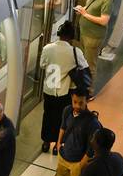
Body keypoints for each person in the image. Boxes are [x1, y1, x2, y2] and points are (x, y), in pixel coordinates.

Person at [40, 88, 101, 176]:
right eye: (75, 102)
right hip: (63, 157)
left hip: (78, 162)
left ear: (87, 101)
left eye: (81, 103)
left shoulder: (92, 122)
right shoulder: (67, 110)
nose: (77, 106)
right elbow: (63, 127)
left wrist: (80, 165)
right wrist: (58, 144)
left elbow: (91, 149)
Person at [37, 20, 87, 154]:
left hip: (48, 89)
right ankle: (57, 144)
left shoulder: (48, 48)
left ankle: (46, 142)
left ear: (59, 34)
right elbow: (85, 67)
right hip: (65, 91)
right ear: (72, 36)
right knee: (62, 118)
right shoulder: (75, 52)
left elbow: (42, 65)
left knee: (47, 115)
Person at [74, 0, 113, 71]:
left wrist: (85, 14)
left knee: (90, 65)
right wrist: (82, 9)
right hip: (85, 33)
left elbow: (104, 21)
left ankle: (88, 86)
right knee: (83, 61)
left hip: (93, 37)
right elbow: (91, 7)